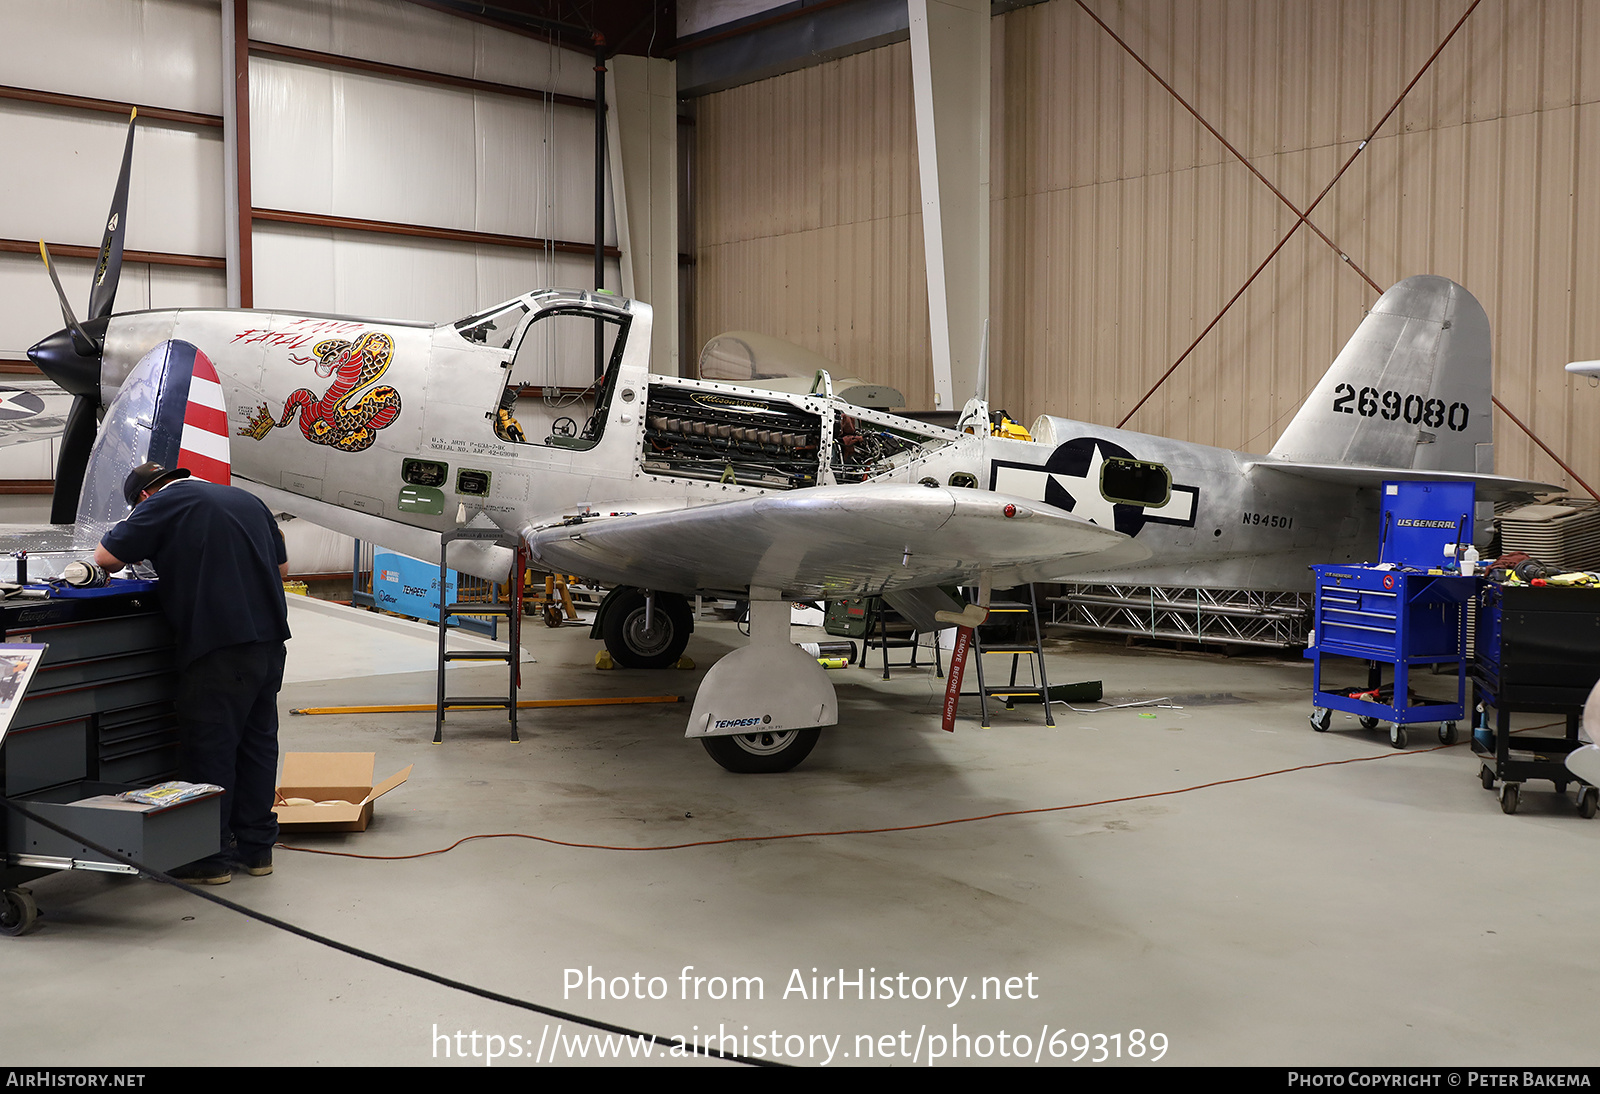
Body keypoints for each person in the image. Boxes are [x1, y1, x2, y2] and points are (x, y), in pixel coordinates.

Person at [94, 462, 291, 884]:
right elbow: (282, 570)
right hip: (269, 643)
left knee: (211, 749)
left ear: (144, 496)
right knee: (257, 745)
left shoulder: (162, 503)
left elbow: (105, 558)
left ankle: (209, 858)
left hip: (217, 645)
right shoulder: (246, 499)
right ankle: (257, 852)